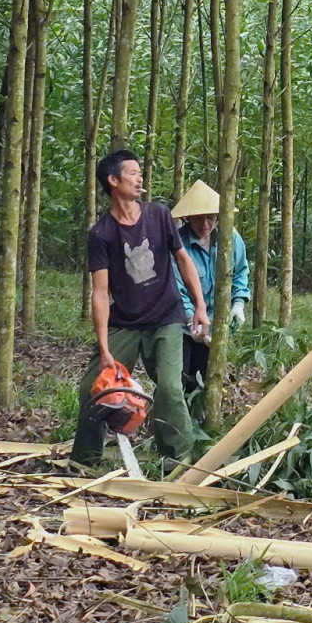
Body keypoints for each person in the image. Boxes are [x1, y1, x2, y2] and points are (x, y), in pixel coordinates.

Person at [71, 149, 212, 467]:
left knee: (169, 389)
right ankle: (85, 459)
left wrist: (200, 306)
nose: (140, 178)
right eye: (133, 173)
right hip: (126, 322)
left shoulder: (159, 215)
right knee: (90, 388)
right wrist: (105, 348)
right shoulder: (102, 233)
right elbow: (100, 292)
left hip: (167, 316)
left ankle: (178, 457)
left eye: (139, 172)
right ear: (113, 180)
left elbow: (183, 260)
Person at [172, 180, 249, 394]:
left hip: (215, 325)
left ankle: (201, 423)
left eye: (210, 217)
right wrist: (191, 317)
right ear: (187, 218)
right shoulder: (178, 244)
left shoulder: (230, 239)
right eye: (198, 218)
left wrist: (238, 303)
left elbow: (241, 271)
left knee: (205, 381)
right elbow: (176, 286)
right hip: (182, 327)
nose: (204, 223)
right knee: (179, 380)